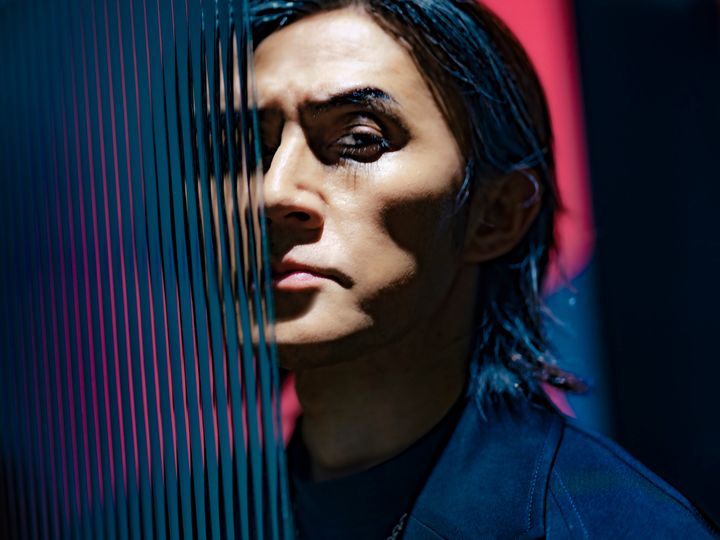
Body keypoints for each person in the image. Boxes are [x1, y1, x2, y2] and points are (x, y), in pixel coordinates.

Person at [250, 0, 720, 538]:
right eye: (245, 150)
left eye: (359, 140)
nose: (271, 192)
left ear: (495, 215)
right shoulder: (191, 507)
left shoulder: (616, 528)